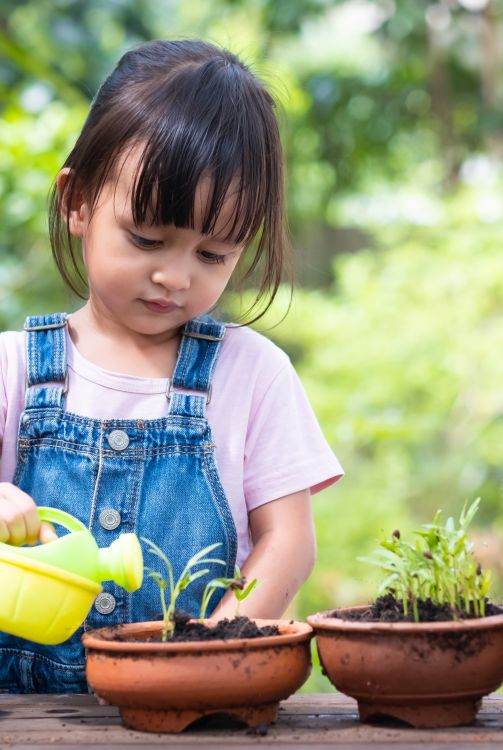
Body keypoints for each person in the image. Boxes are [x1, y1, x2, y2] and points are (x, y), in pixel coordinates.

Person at [0, 39, 343, 693]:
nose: (173, 276)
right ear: (77, 200)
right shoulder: (11, 371)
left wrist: (216, 652)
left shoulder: (251, 375)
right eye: (147, 238)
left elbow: (289, 544)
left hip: (202, 709)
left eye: (213, 255)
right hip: (27, 721)